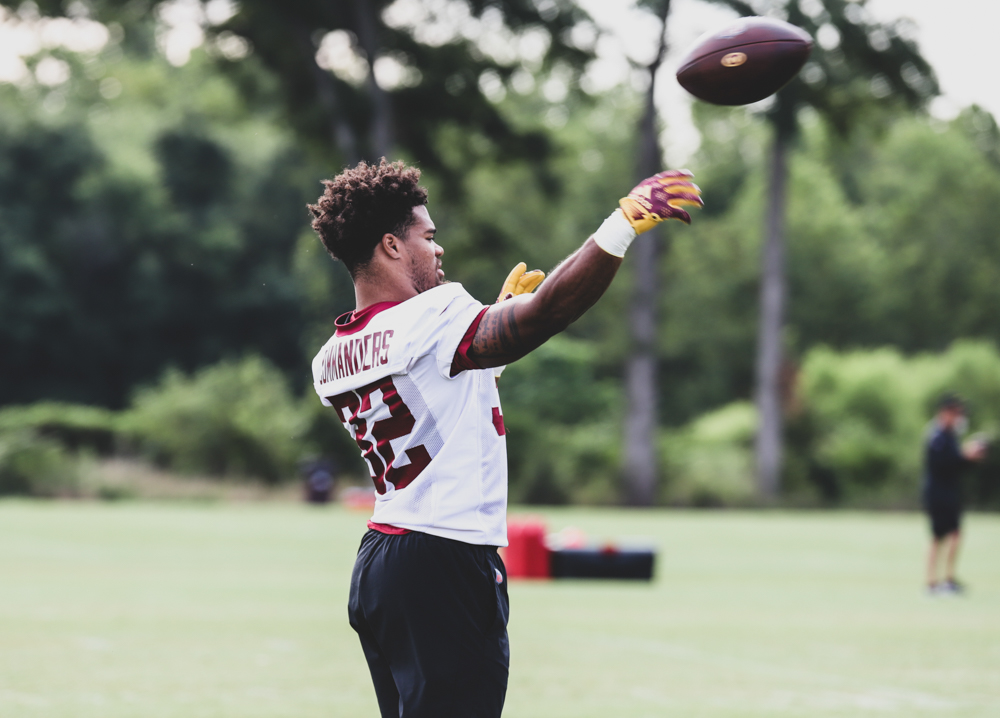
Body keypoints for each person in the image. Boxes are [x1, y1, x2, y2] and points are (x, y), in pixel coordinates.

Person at [307, 158, 701, 717]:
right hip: (444, 558)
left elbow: (428, 403)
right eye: (427, 236)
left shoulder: (331, 357)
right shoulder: (434, 313)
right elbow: (545, 313)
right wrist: (621, 225)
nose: (438, 248)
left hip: (382, 561)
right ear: (391, 246)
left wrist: (487, 339)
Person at [923, 393, 986, 595]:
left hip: (950, 492)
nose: (959, 417)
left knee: (955, 535)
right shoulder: (936, 436)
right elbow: (943, 464)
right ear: (945, 413)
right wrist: (965, 454)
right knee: (938, 537)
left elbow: (957, 466)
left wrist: (970, 459)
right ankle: (931, 583)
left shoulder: (950, 436)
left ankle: (948, 579)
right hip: (937, 494)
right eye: (955, 413)